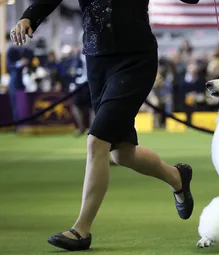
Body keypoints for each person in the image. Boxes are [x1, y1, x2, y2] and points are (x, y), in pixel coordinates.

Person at [10, 0, 199, 251]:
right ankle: (177, 177)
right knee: (122, 153)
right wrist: (29, 17)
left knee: (97, 140)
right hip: (98, 62)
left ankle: (82, 229)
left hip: (136, 60)